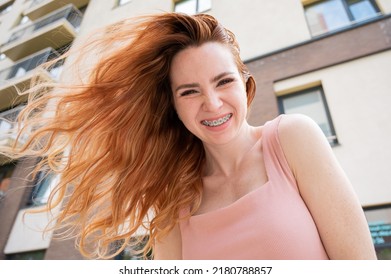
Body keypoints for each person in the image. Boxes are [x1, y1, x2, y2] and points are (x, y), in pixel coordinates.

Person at [2, 12, 376, 260]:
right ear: (174, 107)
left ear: (245, 85)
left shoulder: (292, 139)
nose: (212, 104)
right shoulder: (173, 200)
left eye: (223, 81)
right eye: (190, 91)